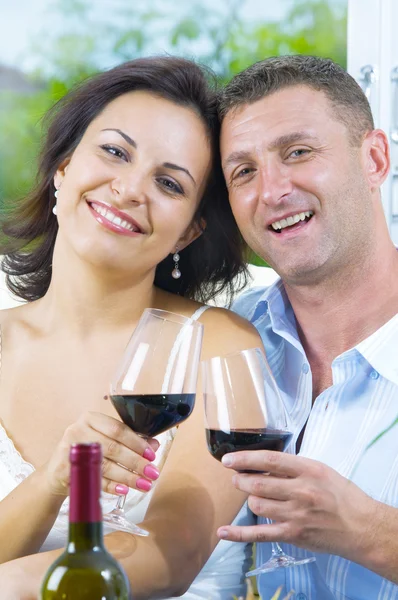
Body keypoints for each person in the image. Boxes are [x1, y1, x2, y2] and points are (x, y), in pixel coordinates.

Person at [0, 56, 263, 599]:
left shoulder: (219, 347)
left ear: (188, 231)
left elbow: (175, 553)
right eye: (115, 152)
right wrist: (53, 480)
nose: (129, 189)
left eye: (168, 183)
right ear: (64, 167)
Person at [216, 54, 398, 599]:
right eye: (243, 171)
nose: (272, 191)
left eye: (298, 152)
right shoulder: (225, 338)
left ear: (374, 158)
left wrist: (370, 532)